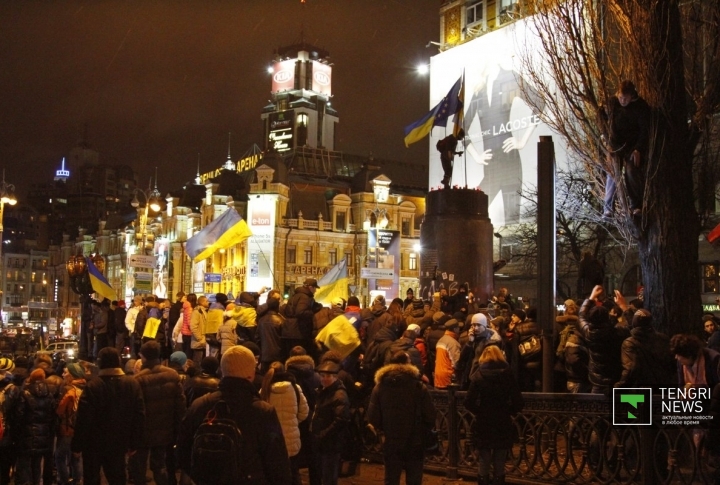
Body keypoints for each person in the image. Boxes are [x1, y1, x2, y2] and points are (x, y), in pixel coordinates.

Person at [177, 345, 291, 484]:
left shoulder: (200, 405)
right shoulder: (263, 412)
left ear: (222, 371)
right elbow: (277, 463)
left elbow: (183, 452)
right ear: (252, 373)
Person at [73, 347, 145, 485]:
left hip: (93, 443)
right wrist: (135, 442)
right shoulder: (131, 384)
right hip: (119, 442)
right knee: (117, 477)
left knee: (92, 477)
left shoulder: (93, 386)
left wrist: (77, 445)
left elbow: (83, 418)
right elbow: (139, 415)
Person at [368, 351, 436, 485]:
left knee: (391, 477)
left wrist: (384, 430)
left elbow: (373, 416)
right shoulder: (418, 386)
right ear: (408, 363)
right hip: (415, 439)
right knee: (414, 478)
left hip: (391, 439)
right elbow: (430, 415)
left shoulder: (380, 387)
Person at [464, 346, 524, 485]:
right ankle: (499, 480)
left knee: (484, 457)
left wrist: (479, 410)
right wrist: (509, 410)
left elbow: (468, 401)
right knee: (500, 456)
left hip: (484, 420)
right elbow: (518, 401)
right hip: (502, 419)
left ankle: (483, 480)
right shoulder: (507, 374)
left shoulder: (478, 376)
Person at [130, 341, 186, 485]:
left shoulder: (137, 380)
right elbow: (180, 405)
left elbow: (135, 410)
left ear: (143, 356)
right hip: (165, 430)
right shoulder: (172, 375)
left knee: (139, 468)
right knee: (160, 466)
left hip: (143, 432)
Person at [603, 80, 652, 217]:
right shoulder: (613, 103)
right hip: (615, 144)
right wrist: (606, 137)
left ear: (632, 96)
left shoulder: (640, 107)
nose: (622, 101)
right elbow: (601, 115)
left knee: (631, 171)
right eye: (620, 97)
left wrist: (639, 149)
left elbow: (644, 131)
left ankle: (636, 205)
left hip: (632, 146)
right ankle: (608, 207)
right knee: (612, 172)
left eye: (625, 98)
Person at [260, 362, 309, 485]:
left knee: (275, 475)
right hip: (292, 440)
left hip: (272, 440)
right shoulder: (295, 388)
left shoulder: (264, 390)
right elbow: (304, 412)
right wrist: (293, 423)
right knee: (294, 473)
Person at [311, 360, 351, 485]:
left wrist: (323, 434)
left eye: (327, 376)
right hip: (322, 441)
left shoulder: (339, 395)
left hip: (331, 443)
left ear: (335, 377)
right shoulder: (324, 391)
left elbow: (341, 420)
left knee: (329, 477)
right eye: (322, 376)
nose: (324, 379)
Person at [55, 363, 87, 485]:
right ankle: (77, 480)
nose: (63, 375)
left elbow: (60, 410)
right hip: (81, 428)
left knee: (59, 456)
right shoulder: (86, 387)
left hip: (67, 428)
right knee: (76, 456)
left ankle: (64, 481)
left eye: (66, 372)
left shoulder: (69, 391)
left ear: (72, 375)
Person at [282, 278, 320, 358]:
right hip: (298, 332)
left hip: (288, 331)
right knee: (298, 357)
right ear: (310, 287)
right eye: (315, 288)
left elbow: (286, 311)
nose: (315, 291)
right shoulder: (305, 297)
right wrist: (312, 311)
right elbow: (300, 312)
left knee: (290, 356)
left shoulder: (295, 296)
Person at [434, 318, 462, 389]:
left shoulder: (441, 340)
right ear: (455, 329)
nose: (459, 329)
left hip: (438, 376)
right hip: (448, 378)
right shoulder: (453, 343)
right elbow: (456, 363)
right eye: (458, 328)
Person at [190, 295, 209, 365]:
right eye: (206, 301)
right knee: (197, 361)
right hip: (199, 341)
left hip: (202, 341)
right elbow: (193, 326)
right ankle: (195, 375)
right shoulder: (197, 312)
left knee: (201, 361)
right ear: (202, 302)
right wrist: (199, 338)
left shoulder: (203, 311)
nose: (208, 302)